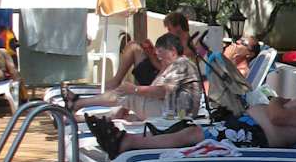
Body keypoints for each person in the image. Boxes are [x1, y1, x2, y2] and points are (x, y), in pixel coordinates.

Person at [86, 60, 296, 158]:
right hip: (247, 129)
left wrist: (277, 100)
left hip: (253, 137)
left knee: (190, 136)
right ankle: (127, 142)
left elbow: (276, 116)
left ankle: (127, 143)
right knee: (189, 133)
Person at [68, 34, 202, 121]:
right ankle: (82, 116)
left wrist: (135, 90)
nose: (159, 57)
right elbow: (157, 88)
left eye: (161, 53)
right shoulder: (173, 66)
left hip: (178, 115)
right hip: (173, 112)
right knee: (124, 111)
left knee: (126, 94)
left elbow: (162, 91)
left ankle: (78, 103)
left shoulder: (181, 65)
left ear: (172, 51)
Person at [107, 10, 207, 91]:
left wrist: (151, 54)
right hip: (159, 75)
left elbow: (165, 69)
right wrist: (152, 51)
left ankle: (116, 81)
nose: (168, 32)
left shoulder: (188, 48)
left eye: (169, 29)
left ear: (178, 28)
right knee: (133, 45)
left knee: (133, 47)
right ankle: (116, 81)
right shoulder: (182, 43)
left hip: (162, 81)